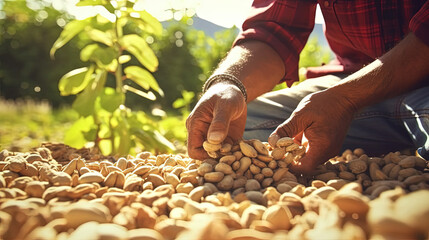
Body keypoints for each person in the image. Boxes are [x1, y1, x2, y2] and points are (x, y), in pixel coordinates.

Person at [186, 0, 429, 173]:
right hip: (349, 79)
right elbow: (274, 29)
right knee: (234, 126)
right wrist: (228, 82)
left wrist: (346, 99)